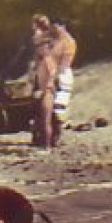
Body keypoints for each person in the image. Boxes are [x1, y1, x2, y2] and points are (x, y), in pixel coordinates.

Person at [28, 14, 56, 148]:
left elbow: (51, 76)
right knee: (39, 120)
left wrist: (43, 91)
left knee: (46, 120)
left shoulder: (47, 60)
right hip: (41, 90)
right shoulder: (39, 61)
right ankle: (42, 144)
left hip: (47, 91)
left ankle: (47, 146)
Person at [50, 18, 77, 147]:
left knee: (58, 107)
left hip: (62, 74)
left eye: (56, 28)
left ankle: (58, 137)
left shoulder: (68, 42)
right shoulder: (54, 41)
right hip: (52, 74)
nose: (54, 30)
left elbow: (66, 61)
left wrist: (56, 74)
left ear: (63, 26)